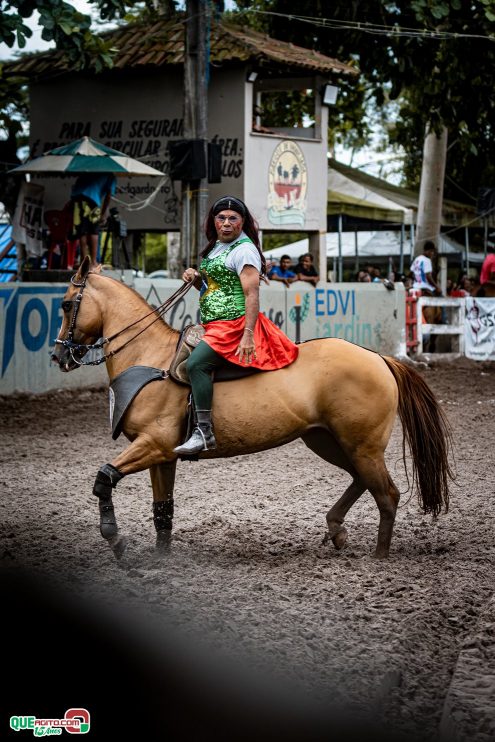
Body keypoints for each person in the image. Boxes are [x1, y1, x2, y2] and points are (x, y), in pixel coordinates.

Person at [174, 196, 299, 455]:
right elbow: (211, 287)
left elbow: (252, 294)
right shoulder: (216, 247)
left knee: (196, 364)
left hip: (233, 324)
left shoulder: (244, 250)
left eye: (233, 218)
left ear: (242, 223)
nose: (227, 223)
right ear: (214, 221)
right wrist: (196, 277)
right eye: (221, 218)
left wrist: (248, 334)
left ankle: (204, 432)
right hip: (213, 323)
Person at [71, 172, 117, 268]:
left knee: (81, 231)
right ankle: (93, 262)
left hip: (76, 197)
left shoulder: (90, 169)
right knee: (93, 231)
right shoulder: (111, 176)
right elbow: (108, 197)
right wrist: (103, 213)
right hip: (92, 199)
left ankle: (83, 261)